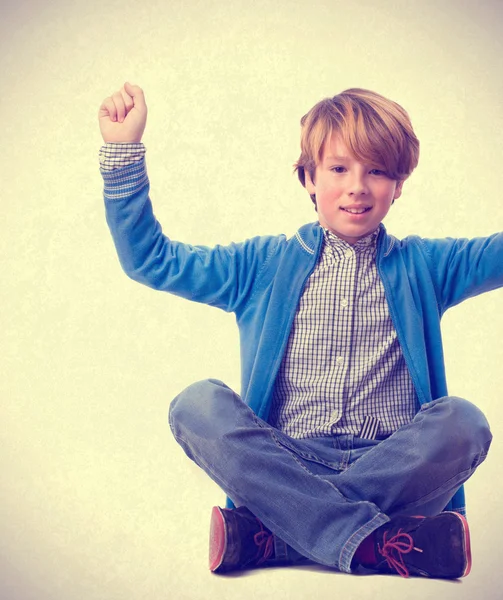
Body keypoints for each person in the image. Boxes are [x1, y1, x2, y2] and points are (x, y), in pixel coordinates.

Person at [98, 82, 499, 579]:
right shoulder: (262, 263)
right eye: (338, 169)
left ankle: (281, 537)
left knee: (464, 422)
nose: (357, 186)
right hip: (287, 466)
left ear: (399, 185)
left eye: (376, 170)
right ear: (309, 178)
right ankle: (375, 541)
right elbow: (151, 260)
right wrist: (123, 153)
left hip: (391, 467)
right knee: (195, 405)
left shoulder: (427, 265)